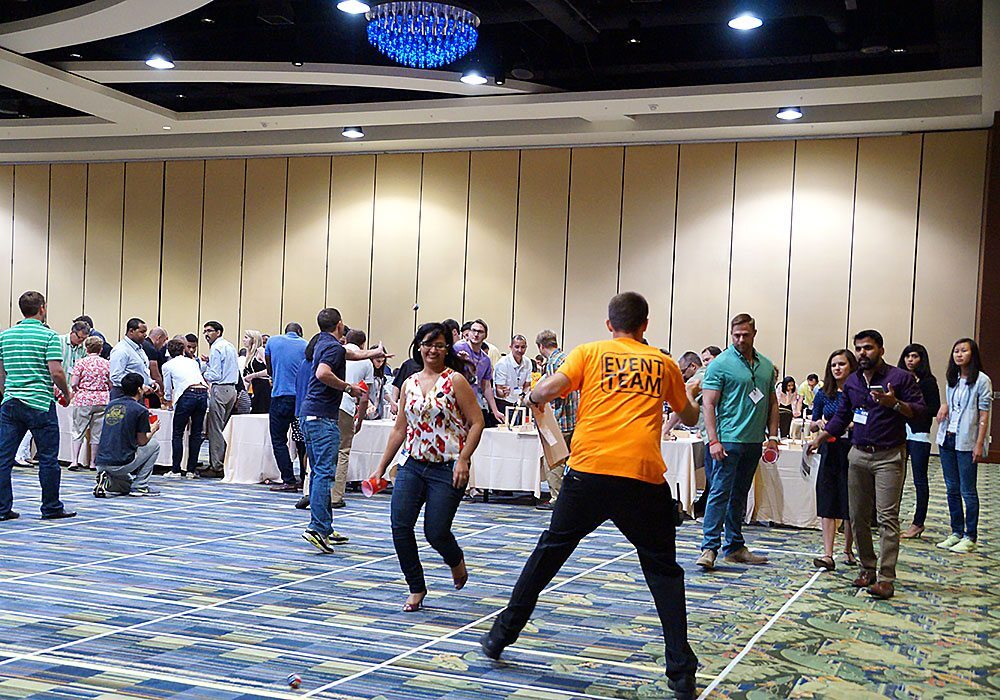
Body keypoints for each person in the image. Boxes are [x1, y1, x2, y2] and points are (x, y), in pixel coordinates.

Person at [481, 292, 700, 700]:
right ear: (645, 326)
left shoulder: (589, 352)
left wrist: (532, 397)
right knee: (663, 572)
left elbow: (548, 390)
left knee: (549, 552)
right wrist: (686, 390)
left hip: (589, 473)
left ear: (609, 324)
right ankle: (681, 673)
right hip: (642, 476)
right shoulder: (664, 363)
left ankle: (500, 636)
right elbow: (688, 415)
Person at [370, 322, 484, 612]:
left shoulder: (455, 380)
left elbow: (476, 422)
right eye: (427, 344)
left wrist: (464, 458)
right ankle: (416, 586)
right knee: (400, 526)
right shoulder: (409, 383)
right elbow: (399, 429)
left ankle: (455, 559)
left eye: (440, 345)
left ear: (447, 349)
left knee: (436, 531)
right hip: (412, 464)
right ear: (418, 346)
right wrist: (381, 467)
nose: (433, 350)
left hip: (447, 468)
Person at [808, 329, 925, 600]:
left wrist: (894, 403)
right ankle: (867, 568)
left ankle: (886, 578)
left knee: (886, 517)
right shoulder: (852, 382)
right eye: (858, 348)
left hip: (889, 455)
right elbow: (841, 416)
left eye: (868, 348)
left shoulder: (900, 378)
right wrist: (821, 437)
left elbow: (920, 413)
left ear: (881, 349)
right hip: (857, 454)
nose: (863, 353)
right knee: (857, 515)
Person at [300, 308, 386, 553]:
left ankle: (324, 527)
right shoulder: (332, 347)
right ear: (339, 324)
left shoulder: (323, 343)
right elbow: (323, 373)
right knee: (324, 474)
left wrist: (374, 352)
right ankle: (316, 528)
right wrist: (349, 388)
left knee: (319, 472)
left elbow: (349, 355)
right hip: (322, 419)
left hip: (311, 415)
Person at [697, 313, 779, 570]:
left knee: (739, 495)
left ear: (754, 333)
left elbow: (772, 402)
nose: (741, 339)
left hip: (754, 441)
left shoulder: (766, 365)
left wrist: (773, 436)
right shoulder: (719, 364)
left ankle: (734, 547)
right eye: (736, 335)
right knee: (719, 493)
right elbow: (708, 404)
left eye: (745, 335)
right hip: (727, 440)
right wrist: (713, 440)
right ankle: (709, 548)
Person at [0, 291, 76, 521]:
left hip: (11, 402)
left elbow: (0, 371)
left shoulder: (5, 336)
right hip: (40, 403)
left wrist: (7, 392)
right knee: (48, 459)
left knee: (3, 459)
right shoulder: (49, 337)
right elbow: (56, 371)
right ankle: (51, 507)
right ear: (42, 308)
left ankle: (2, 508)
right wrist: (66, 391)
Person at [935, 338, 992, 553]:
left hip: (967, 441)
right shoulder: (952, 378)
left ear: (973, 354)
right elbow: (951, 403)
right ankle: (956, 532)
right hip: (948, 438)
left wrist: (979, 444)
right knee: (951, 489)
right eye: (956, 351)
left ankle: (970, 536)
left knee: (968, 490)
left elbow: (984, 414)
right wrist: (944, 406)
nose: (959, 354)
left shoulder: (982, 380)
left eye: (964, 351)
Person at [809, 349, 858, 571]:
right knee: (827, 499)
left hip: (852, 449)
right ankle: (828, 553)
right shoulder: (822, 393)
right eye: (833, 365)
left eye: (841, 364)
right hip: (829, 448)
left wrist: (846, 425)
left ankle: (848, 550)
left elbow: (864, 420)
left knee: (850, 502)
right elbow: (812, 421)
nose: (837, 368)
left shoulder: (858, 391)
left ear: (851, 367)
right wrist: (819, 424)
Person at [897, 343, 941, 539]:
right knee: (895, 478)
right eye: (907, 356)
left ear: (921, 359)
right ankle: (890, 518)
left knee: (919, 480)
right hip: (898, 433)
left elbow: (934, 408)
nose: (910, 360)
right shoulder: (899, 379)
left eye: (914, 356)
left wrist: (911, 408)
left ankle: (918, 522)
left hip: (919, 434)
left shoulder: (928, 382)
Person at [93, 372, 161, 497]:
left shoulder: (111, 405)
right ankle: (140, 486)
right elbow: (142, 441)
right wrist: (153, 428)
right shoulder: (140, 410)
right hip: (120, 463)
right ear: (139, 389)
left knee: (126, 485)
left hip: (101, 461)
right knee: (155, 444)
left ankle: (106, 478)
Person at [533, 329, 579, 511]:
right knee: (568, 461)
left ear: (540, 346)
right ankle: (568, 496)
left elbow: (556, 392)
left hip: (560, 419)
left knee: (553, 460)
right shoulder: (567, 358)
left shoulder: (552, 362)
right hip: (572, 418)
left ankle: (556, 498)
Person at [331, 329, 374, 508]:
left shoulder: (334, 352)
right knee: (343, 451)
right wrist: (361, 420)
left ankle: (311, 491)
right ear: (363, 344)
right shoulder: (366, 362)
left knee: (321, 450)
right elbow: (364, 397)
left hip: (328, 405)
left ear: (346, 339)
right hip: (347, 408)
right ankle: (336, 496)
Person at [266, 323, 307, 492]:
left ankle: (288, 479)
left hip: (280, 397)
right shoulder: (305, 345)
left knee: (279, 439)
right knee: (301, 440)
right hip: (300, 401)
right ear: (300, 333)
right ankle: (305, 478)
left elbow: (269, 368)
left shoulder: (273, 341)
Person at [161, 337, 208, 478]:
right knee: (196, 433)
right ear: (183, 350)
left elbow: (168, 388)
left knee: (178, 433)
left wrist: (168, 401)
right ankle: (191, 470)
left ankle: (175, 470)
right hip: (203, 393)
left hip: (187, 395)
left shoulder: (167, 365)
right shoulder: (192, 362)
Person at [201, 321, 240, 474]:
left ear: (218, 332)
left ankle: (216, 465)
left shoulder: (216, 348)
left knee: (215, 428)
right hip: (231, 389)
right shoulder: (229, 346)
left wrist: (202, 372)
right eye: (205, 331)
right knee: (223, 428)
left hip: (220, 388)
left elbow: (215, 374)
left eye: (209, 331)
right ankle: (223, 462)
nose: (206, 334)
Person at [68, 336, 111, 472]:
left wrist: (78, 389)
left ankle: (75, 460)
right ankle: (93, 462)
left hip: (83, 399)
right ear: (101, 349)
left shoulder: (81, 363)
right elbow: (111, 383)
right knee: (97, 433)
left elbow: (74, 382)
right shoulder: (106, 364)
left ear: (86, 348)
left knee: (78, 430)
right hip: (102, 399)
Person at [454, 319, 505, 427]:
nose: (476, 334)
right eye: (473, 330)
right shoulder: (458, 348)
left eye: (480, 332)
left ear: (485, 335)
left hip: (472, 402)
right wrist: (459, 361)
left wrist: (495, 411)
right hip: (455, 400)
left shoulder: (485, 359)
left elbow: (486, 385)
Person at [109, 318, 155, 400]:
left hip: (138, 394)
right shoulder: (121, 350)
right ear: (131, 331)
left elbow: (142, 370)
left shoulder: (139, 349)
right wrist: (139, 386)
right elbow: (115, 376)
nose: (145, 335)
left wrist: (150, 382)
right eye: (142, 332)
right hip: (122, 395)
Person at [493, 334, 532, 418]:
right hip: (503, 403)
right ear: (511, 347)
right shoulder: (502, 363)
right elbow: (498, 389)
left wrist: (524, 396)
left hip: (519, 402)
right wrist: (503, 393)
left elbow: (527, 385)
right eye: (517, 347)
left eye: (523, 347)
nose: (520, 350)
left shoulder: (528, 362)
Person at [241, 329, 271, 414]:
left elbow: (269, 370)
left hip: (263, 386)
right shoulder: (249, 354)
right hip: (255, 387)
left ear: (253, 340)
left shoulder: (260, 351)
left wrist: (253, 375)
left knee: (261, 411)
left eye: (246, 337)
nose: (243, 340)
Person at [141, 327, 169, 408]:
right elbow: (155, 375)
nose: (163, 345)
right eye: (163, 341)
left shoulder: (142, 345)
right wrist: (163, 392)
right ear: (159, 338)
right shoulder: (151, 349)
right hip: (148, 388)